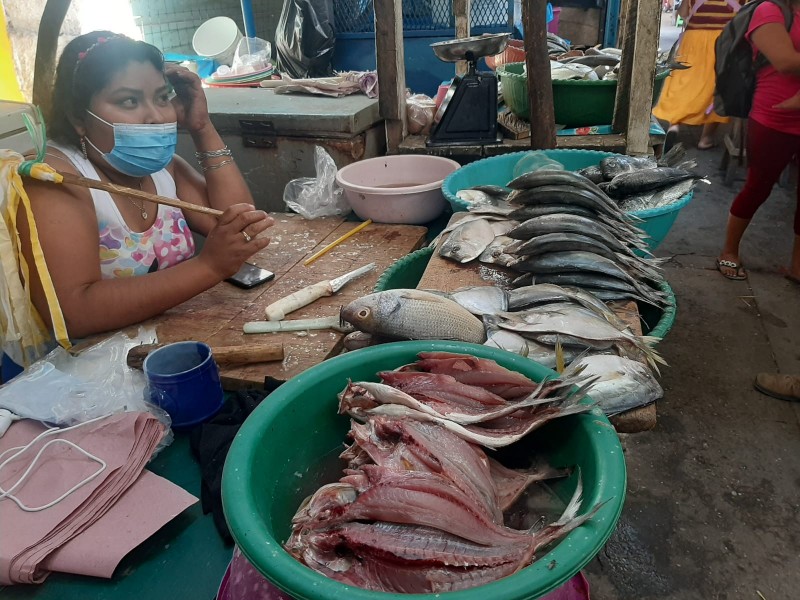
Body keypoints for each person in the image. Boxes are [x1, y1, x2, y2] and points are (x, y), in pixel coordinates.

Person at [16, 32, 274, 346]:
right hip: (98, 373)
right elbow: (75, 312)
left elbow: (241, 226)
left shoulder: (164, 169)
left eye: (162, 98)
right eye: (129, 101)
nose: (154, 116)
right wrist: (209, 266)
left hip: (180, 343)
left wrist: (202, 127)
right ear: (78, 118)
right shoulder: (55, 180)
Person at [716, 1, 800, 282]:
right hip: (774, 118)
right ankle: (729, 251)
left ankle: (797, 266)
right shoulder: (769, 10)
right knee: (758, 186)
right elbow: (785, 62)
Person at [653, 0, 744, 150]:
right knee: (715, 87)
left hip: (693, 39)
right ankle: (706, 138)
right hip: (722, 41)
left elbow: (682, 14)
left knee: (683, 81)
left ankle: (674, 125)